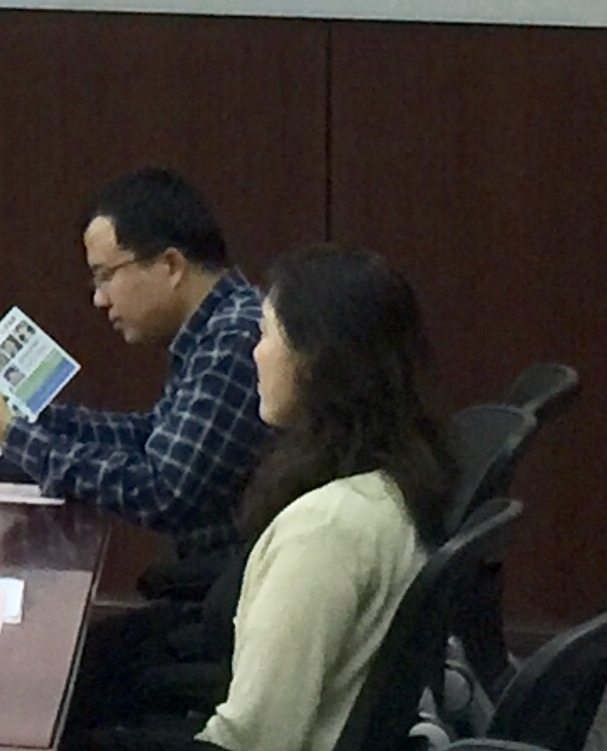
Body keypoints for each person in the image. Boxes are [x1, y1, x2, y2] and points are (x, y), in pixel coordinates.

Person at [88, 244, 458, 751]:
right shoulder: (391, 477)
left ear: (316, 359)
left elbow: (253, 740)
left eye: (265, 334)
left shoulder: (326, 529)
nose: (254, 353)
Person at [0, 167, 272, 562]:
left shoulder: (236, 337)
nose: (100, 298)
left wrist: (14, 436)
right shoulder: (215, 327)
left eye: (105, 276)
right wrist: (29, 419)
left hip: (221, 583)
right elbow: (151, 438)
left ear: (170, 265)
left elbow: (162, 491)